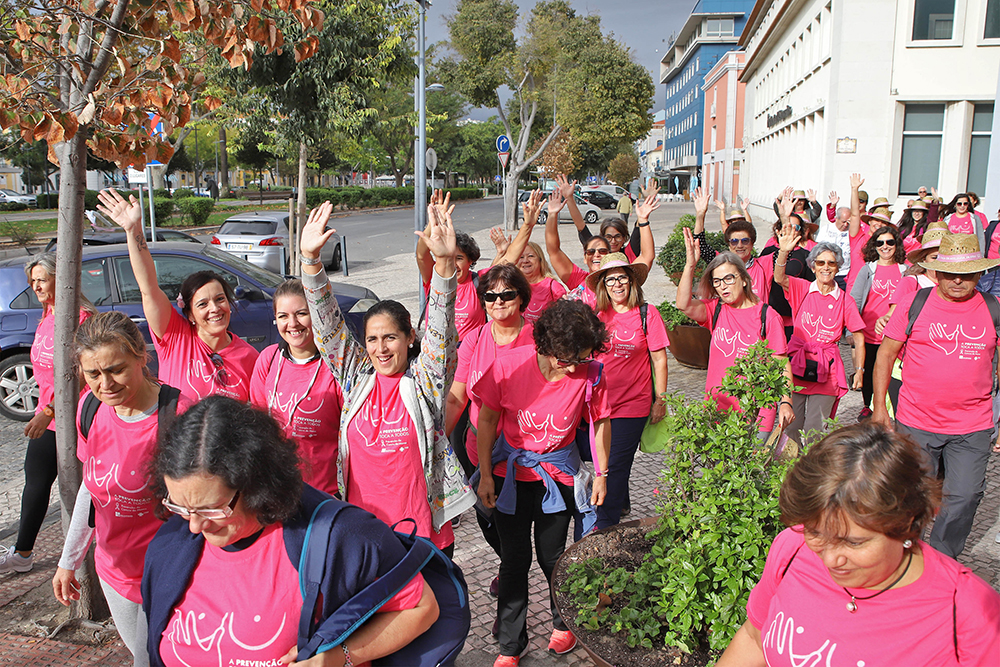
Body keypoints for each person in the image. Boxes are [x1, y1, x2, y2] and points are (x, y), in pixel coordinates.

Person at [142, 396, 442, 667]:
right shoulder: (172, 545)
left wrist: (340, 657)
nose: (195, 525)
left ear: (255, 485)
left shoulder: (341, 537)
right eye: (180, 507)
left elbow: (422, 608)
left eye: (212, 509)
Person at [716, 422, 1000, 666]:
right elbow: (755, 638)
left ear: (906, 523)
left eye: (853, 542)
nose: (829, 559)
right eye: (816, 532)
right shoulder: (793, 547)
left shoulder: (968, 615)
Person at [301, 198, 474, 554]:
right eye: (372, 339)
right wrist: (310, 262)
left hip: (422, 539)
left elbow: (442, 326)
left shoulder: (425, 383)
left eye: (390, 337)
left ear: (410, 338)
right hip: (364, 537)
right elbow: (327, 328)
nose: (381, 349)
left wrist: (443, 263)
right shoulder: (355, 379)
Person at [474, 299, 611, 666]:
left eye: (581, 358)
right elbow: (486, 421)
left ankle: (564, 620)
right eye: (569, 358)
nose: (574, 366)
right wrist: (486, 474)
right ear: (548, 346)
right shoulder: (506, 367)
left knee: (555, 558)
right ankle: (509, 645)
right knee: (514, 561)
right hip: (511, 478)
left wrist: (601, 474)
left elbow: (599, 422)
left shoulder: (590, 373)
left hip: (558, 476)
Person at [53, 312, 192, 666]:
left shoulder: (180, 416)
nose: (106, 383)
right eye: (94, 373)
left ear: (141, 356)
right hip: (114, 573)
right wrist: (69, 560)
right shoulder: (91, 407)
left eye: (116, 369)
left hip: (169, 576)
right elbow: (91, 487)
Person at [872, 233, 1000, 559]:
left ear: (980, 274)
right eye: (951, 273)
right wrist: (879, 408)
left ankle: (941, 562)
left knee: (965, 497)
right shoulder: (916, 303)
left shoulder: (992, 308)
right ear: (937, 272)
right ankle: (904, 558)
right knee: (911, 496)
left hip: (973, 425)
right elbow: (885, 355)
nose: (958, 280)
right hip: (917, 421)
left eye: (967, 274)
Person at [97, 189, 259, 401]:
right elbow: (148, 287)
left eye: (220, 299)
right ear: (190, 314)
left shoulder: (250, 357)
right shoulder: (175, 337)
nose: (214, 309)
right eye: (202, 304)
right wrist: (133, 229)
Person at [446, 263, 536, 611]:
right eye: (490, 296)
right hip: (479, 452)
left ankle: (514, 586)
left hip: (526, 452)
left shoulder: (539, 336)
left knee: (527, 539)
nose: (498, 302)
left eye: (507, 294)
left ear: (521, 297)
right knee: (489, 521)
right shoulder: (475, 339)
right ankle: (512, 567)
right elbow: (456, 397)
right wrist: (435, 439)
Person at [0, 254, 96, 575]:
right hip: (48, 416)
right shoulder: (47, 314)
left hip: (75, 418)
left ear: (61, 279)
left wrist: (50, 411)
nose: (36, 286)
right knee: (36, 482)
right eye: (33, 281)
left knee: (85, 490)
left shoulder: (79, 318)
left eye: (42, 279)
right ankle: (23, 552)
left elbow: (83, 373)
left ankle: (89, 558)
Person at [676, 230, 793, 436]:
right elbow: (683, 304)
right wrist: (690, 265)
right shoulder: (716, 310)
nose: (723, 286)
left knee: (752, 467)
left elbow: (781, 363)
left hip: (756, 412)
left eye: (729, 278)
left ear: (745, 279)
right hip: (716, 409)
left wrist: (786, 402)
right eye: (717, 281)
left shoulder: (767, 315)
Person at [585, 253, 669, 528]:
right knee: (597, 462)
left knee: (616, 466)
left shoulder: (647, 314)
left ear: (632, 281)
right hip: (598, 404)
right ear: (604, 286)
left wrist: (661, 400)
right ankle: (597, 511)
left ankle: (604, 525)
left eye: (622, 277)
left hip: (633, 404)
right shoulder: (597, 315)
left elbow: (659, 359)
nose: (617, 284)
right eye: (611, 280)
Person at [249, 279, 343, 496]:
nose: (292, 323)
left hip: (325, 495)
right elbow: (258, 426)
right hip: (278, 490)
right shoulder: (268, 359)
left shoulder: (335, 366)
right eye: (283, 316)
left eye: (301, 313)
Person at [773, 226, 865, 446]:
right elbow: (779, 278)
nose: (826, 267)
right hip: (796, 364)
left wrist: (859, 370)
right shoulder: (802, 288)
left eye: (831, 263)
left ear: (838, 267)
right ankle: (789, 471)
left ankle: (812, 472)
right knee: (791, 426)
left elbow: (858, 337)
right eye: (821, 263)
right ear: (813, 266)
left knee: (817, 429)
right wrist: (784, 252)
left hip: (827, 368)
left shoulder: (845, 300)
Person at [850, 225, 907, 418]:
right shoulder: (868, 270)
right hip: (869, 333)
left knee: (889, 373)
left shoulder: (904, 271)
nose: (885, 246)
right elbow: (855, 301)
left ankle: (888, 408)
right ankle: (868, 405)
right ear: (874, 246)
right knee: (868, 373)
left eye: (890, 242)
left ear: (896, 245)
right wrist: (851, 332)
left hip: (894, 335)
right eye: (880, 242)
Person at [558, 175, 658, 270]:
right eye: (608, 237)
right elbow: (580, 225)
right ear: (602, 238)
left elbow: (640, 225)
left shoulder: (629, 253)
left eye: (617, 236)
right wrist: (570, 198)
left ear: (624, 238)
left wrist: (647, 201)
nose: (613, 241)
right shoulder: (596, 252)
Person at [692, 188, 775, 301]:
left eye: (745, 241)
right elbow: (700, 245)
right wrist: (700, 214)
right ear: (729, 244)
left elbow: (786, 253)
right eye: (734, 241)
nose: (739, 245)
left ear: (752, 243)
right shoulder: (720, 263)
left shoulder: (765, 265)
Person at [768, 188, 819, 339]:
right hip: (771, 316)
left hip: (794, 319)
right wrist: (784, 217)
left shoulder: (807, 256)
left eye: (796, 227)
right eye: (787, 225)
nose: (791, 229)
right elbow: (782, 253)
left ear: (802, 231)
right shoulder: (769, 251)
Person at [817, 193, 852, 290]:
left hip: (844, 273)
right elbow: (817, 249)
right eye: (843, 221)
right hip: (827, 271)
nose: (845, 225)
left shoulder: (851, 232)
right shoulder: (826, 229)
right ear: (836, 218)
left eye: (848, 222)